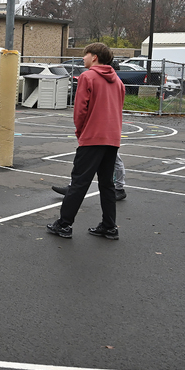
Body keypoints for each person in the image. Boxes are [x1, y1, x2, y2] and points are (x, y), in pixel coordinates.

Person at [46, 42, 125, 240]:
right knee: (107, 184)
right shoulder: (118, 81)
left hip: (92, 137)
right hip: (112, 138)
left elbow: (80, 109)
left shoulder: (87, 77)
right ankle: (109, 226)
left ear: (94, 57)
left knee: (79, 182)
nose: (83, 58)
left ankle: (64, 224)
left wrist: (81, 132)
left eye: (86, 54)